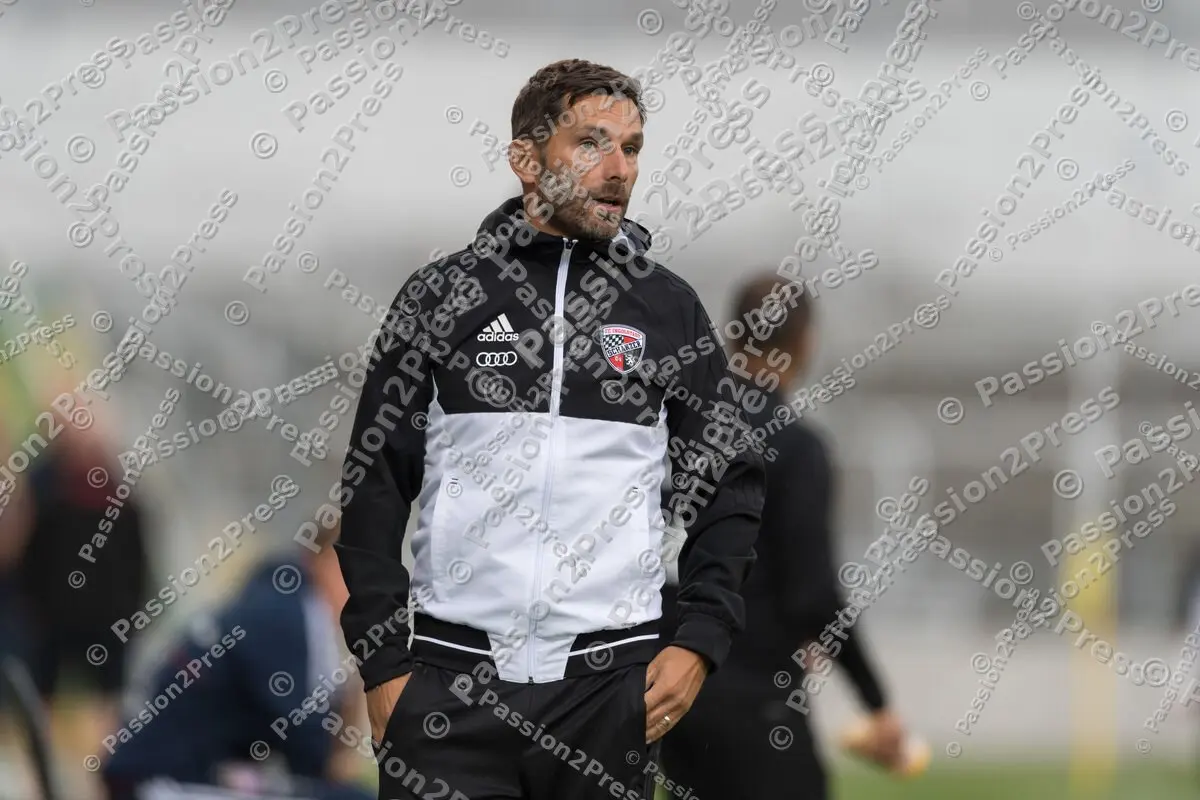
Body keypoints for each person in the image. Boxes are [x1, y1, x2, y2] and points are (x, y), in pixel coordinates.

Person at [335, 58, 765, 800]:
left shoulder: (670, 309)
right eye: (590, 143)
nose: (618, 169)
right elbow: (373, 483)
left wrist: (699, 640)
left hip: (609, 698)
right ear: (526, 159)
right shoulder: (441, 295)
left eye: (631, 148)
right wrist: (383, 666)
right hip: (445, 692)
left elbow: (728, 486)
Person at [657, 274, 909, 800]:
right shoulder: (796, 448)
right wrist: (876, 701)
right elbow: (812, 596)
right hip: (753, 694)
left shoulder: (674, 431)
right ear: (806, 341)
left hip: (665, 693)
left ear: (732, 335)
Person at [101, 524, 374, 800]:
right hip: (163, 780)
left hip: (170, 771)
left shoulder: (282, 599)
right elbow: (303, 738)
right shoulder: (287, 614)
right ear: (327, 561)